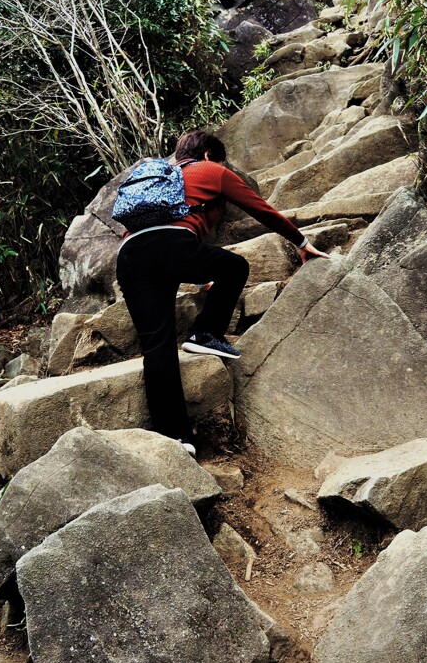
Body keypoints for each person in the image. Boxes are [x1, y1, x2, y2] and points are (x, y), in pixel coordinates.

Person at [115, 129, 329, 457]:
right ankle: (204, 333)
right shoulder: (211, 170)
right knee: (235, 267)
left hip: (130, 256)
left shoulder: (163, 180)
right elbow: (259, 208)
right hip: (173, 245)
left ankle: (174, 439)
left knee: (157, 346)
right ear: (207, 155)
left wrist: (200, 281)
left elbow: (161, 243)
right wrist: (301, 242)